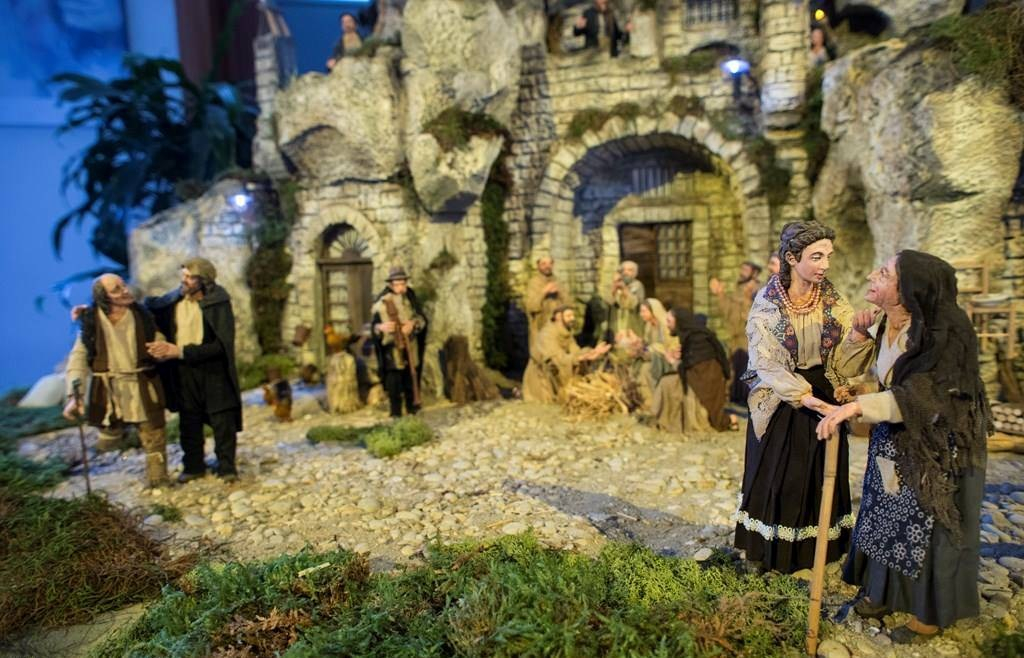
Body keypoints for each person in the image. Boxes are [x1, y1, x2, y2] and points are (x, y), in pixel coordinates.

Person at [817, 251, 990, 643]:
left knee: (927, 523)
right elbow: (876, 376)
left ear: (908, 289)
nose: (871, 275)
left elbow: (927, 395)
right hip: (894, 437)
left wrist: (859, 407)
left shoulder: (943, 334)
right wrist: (860, 355)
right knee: (886, 509)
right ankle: (884, 591)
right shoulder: (885, 324)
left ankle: (930, 614)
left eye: (884, 273)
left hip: (936, 447)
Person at [733, 221, 854, 574]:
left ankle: (816, 551)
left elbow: (847, 354)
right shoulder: (768, 302)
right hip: (781, 396)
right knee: (777, 473)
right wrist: (808, 399)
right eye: (816, 257)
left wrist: (860, 336)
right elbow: (766, 362)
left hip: (824, 388)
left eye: (828, 256)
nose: (825, 265)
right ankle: (766, 552)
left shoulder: (832, 299)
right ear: (791, 258)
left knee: (818, 473)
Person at [63, 274, 169, 487]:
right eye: (116, 290)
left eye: (123, 285)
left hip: (141, 383)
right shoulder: (91, 322)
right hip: (109, 389)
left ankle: (158, 479)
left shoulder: (142, 315)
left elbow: (156, 337)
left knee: (153, 431)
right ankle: (81, 463)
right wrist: (76, 395)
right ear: (104, 297)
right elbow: (79, 357)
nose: (125, 291)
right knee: (108, 435)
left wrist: (161, 348)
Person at [145, 258, 242, 483]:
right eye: (184, 276)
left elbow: (221, 345)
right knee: (189, 419)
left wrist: (180, 351)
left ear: (203, 279)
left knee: (222, 420)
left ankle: (226, 466)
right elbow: (145, 310)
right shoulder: (173, 301)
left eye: (190, 277)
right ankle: (194, 465)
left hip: (214, 371)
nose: (185, 281)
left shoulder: (218, 302)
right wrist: (90, 312)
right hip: (184, 371)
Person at [653, 308, 732, 433]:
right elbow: (691, 363)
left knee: (666, 383)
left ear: (678, 321)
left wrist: (673, 362)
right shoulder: (691, 336)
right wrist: (680, 357)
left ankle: (668, 420)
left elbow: (694, 370)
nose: (667, 325)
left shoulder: (697, 339)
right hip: (698, 379)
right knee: (666, 381)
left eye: (669, 321)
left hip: (705, 384)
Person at [522, 306, 610, 403]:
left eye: (573, 315)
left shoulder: (566, 332)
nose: (572, 318)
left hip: (558, 368)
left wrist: (591, 352)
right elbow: (556, 358)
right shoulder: (547, 334)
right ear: (558, 317)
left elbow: (575, 351)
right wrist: (578, 358)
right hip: (543, 376)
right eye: (568, 316)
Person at [371, 267, 427, 418]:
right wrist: (380, 327)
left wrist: (413, 324)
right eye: (397, 284)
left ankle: (412, 410)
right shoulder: (382, 302)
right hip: (392, 348)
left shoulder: (411, 298)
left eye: (403, 283)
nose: (401, 287)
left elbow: (422, 319)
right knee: (394, 382)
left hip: (411, 345)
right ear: (391, 285)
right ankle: (396, 414)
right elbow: (374, 326)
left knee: (411, 378)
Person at [710, 261, 762, 405]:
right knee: (737, 365)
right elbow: (728, 312)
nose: (742, 271)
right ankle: (737, 397)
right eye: (742, 268)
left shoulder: (758, 289)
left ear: (754, 273)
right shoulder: (738, 289)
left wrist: (747, 298)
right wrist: (720, 294)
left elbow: (752, 314)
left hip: (750, 338)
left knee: (748, 366)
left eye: (746, 269)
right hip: (737, 338)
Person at [525, 256, 571, 346]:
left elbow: (568, 304)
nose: (547, 266)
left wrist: (560, 293)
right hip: (540, 328)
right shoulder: (533, 283)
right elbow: (531, 307)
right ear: (538, 266)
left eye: (550, 263)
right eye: (544, 264)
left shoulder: (558, 282)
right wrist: (544, 292)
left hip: (558, 328)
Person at [608, 260, 645, 337]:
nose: (625, 272)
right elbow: (609, 302)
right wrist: (614, 287)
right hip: (617, 321)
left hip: (632, 322)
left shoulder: (637, 285)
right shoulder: (617, 284)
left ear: (635, 273)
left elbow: (633, 304)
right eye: (623, 270)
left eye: (629, 270)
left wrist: (624, 289)